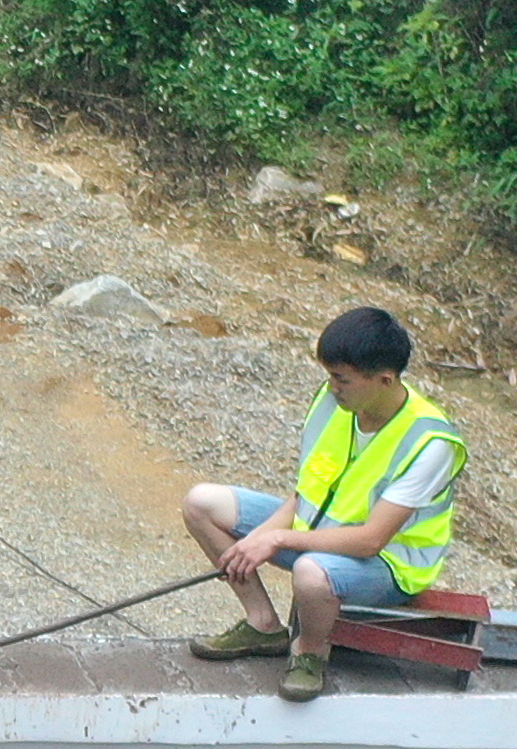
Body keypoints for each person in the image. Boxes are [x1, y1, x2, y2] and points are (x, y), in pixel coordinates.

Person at [178, 302, 462, 705]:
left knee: (312, 573)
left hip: (388, 566)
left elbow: (370, 541)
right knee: (201, 503)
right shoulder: (336, 404)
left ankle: (309, 653)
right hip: (320, 535)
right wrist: (255, 540)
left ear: (384, 379)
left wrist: (276, 541)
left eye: (341, 378)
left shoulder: (430, 443)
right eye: (330, 375)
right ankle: (263, 626)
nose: (332, 387)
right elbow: (305, 494)